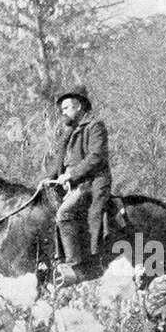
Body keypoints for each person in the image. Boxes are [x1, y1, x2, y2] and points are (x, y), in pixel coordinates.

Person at [45, 84, 112, 273]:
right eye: (61, 110)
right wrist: (47, 179)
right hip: (72, 184)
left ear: (79, 106)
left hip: (90, 182)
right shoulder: (69, 133)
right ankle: (58, 258)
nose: (63, 113)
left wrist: (71, 175)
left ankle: (75, 266)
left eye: (66, 108)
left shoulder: (94, 126)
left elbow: (96, 157)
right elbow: (59, 162)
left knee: (64, 213)